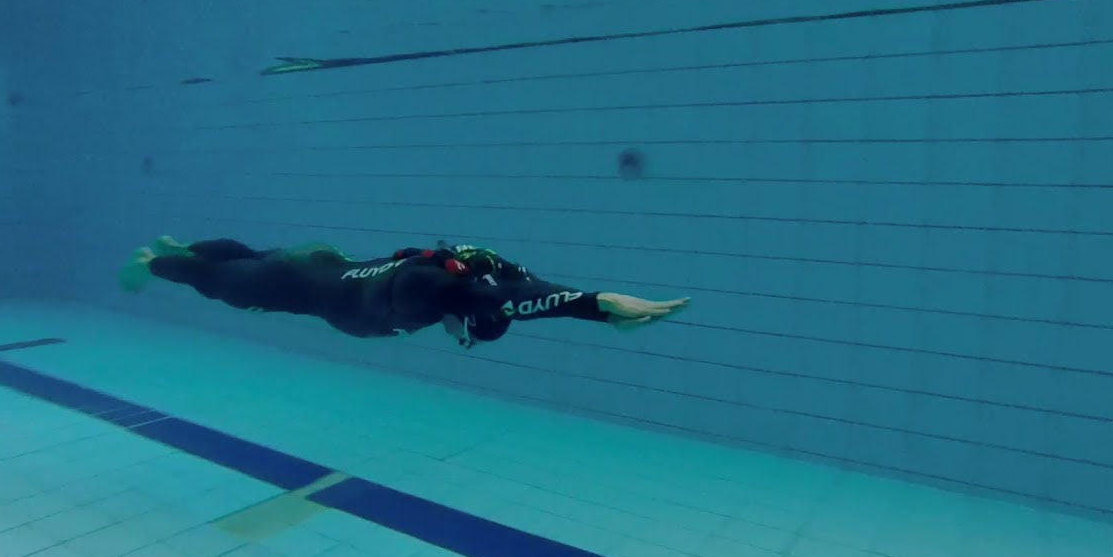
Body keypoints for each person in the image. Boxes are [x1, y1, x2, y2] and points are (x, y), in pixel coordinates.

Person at [118, 237, 689, 348]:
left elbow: (515, 288)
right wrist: (595, 304)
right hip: (294, 283)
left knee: (247, 257)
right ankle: (157, 260)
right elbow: (501, 301)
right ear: (461, 319)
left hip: (316, 262)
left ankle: (189, 247)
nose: (456, 340)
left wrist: (600, 311)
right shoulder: (428, 291)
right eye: (464, 339)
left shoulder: (476, 271)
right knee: (219, 282)